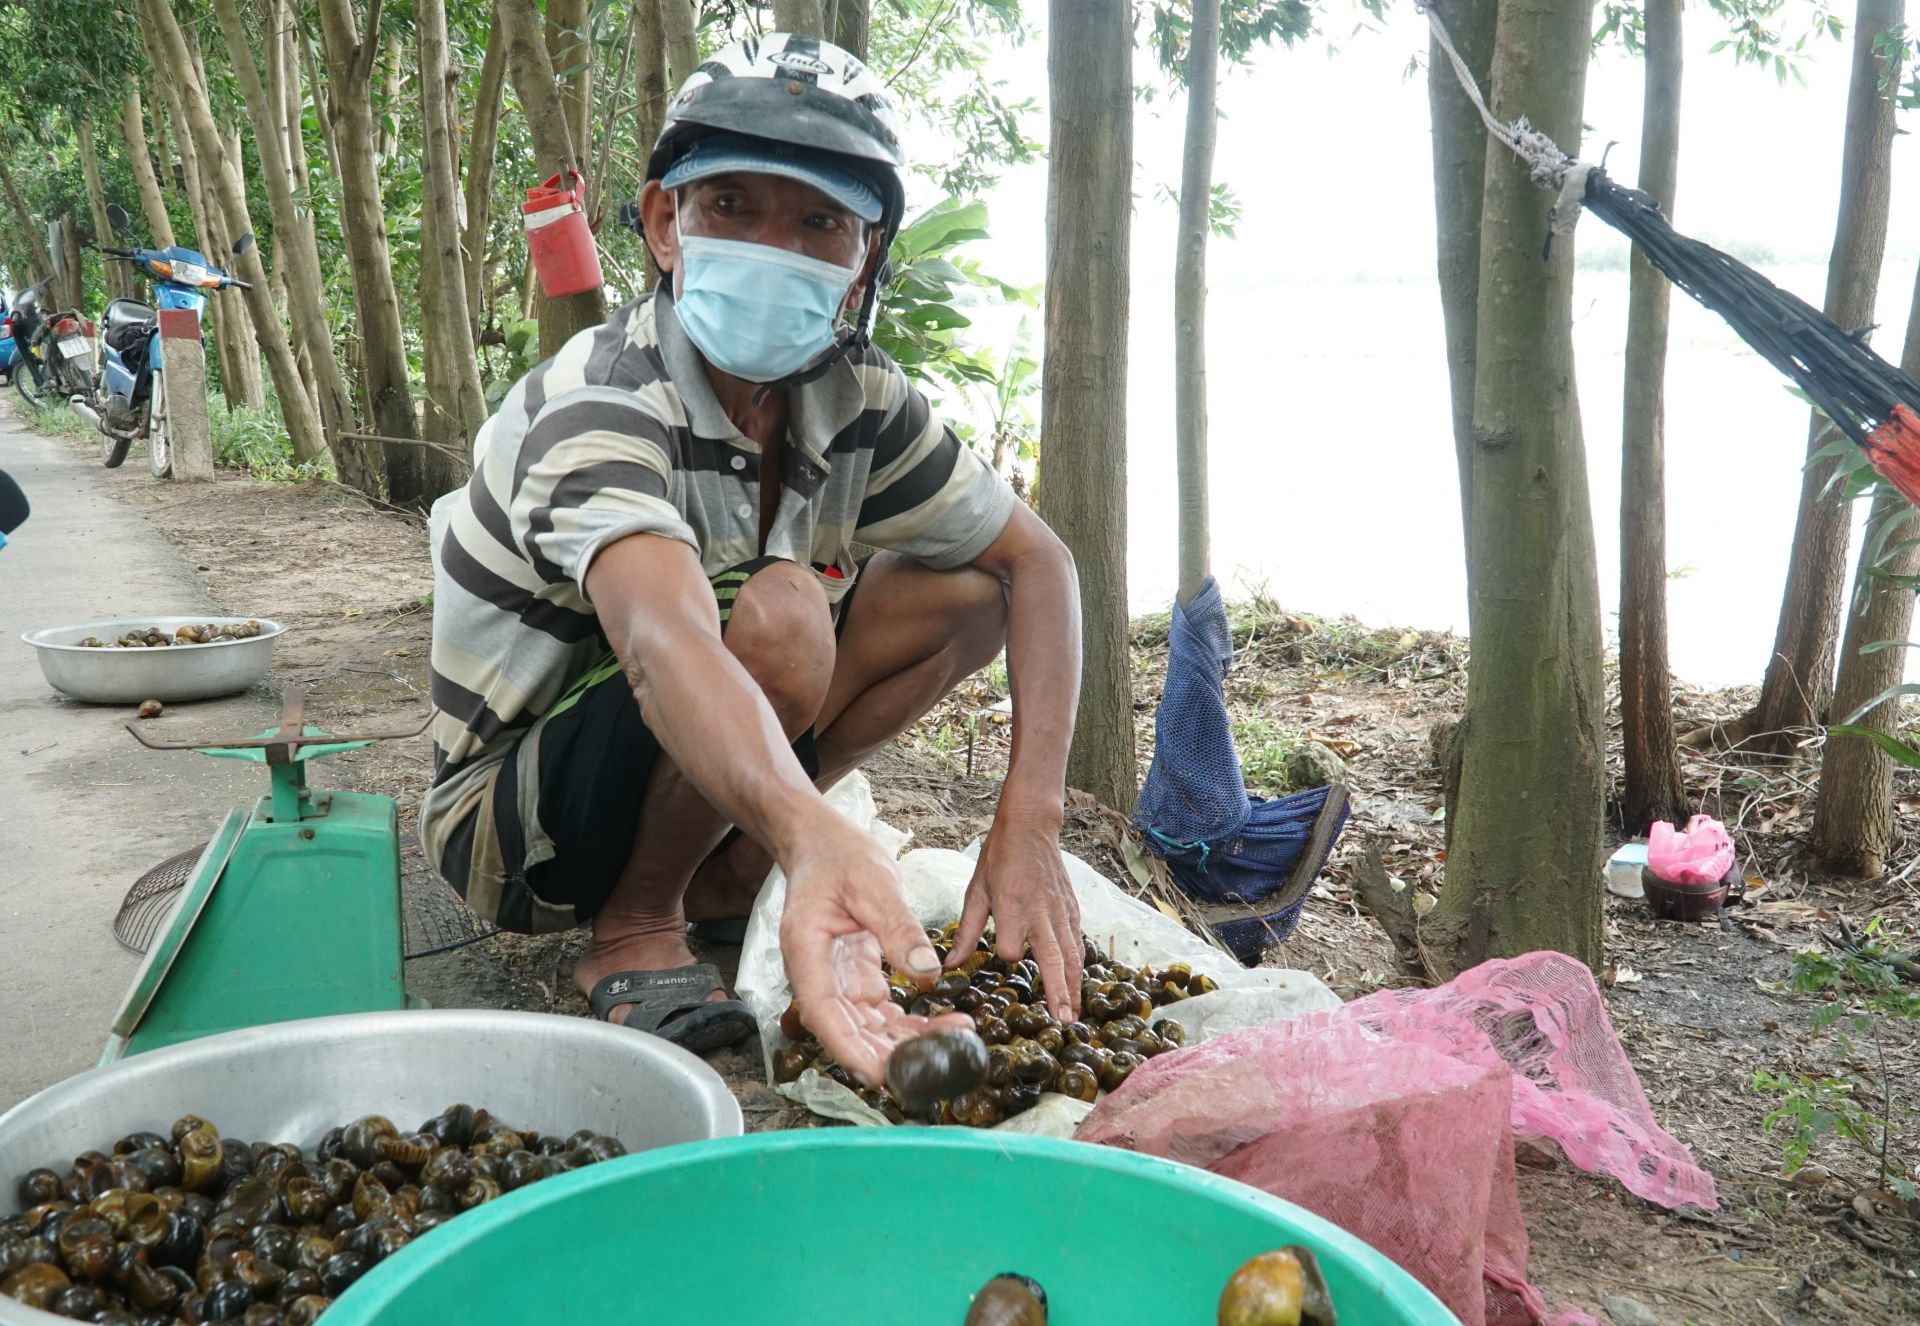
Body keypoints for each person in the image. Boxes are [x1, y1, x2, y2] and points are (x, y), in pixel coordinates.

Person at [422, 33, 1084, 1086]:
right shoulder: (599, 396)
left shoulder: (859, 396)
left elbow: (1038, 563)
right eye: (732, 205)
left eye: (818, 220)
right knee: (779, 614)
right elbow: (663, 636)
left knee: (963, 593)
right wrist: (814, 830)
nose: (774, 244)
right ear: (662, 223)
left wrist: (1031, 822)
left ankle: (725, 878)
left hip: (697, 758)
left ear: (862, 253)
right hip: (517, 820)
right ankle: (635, 926)